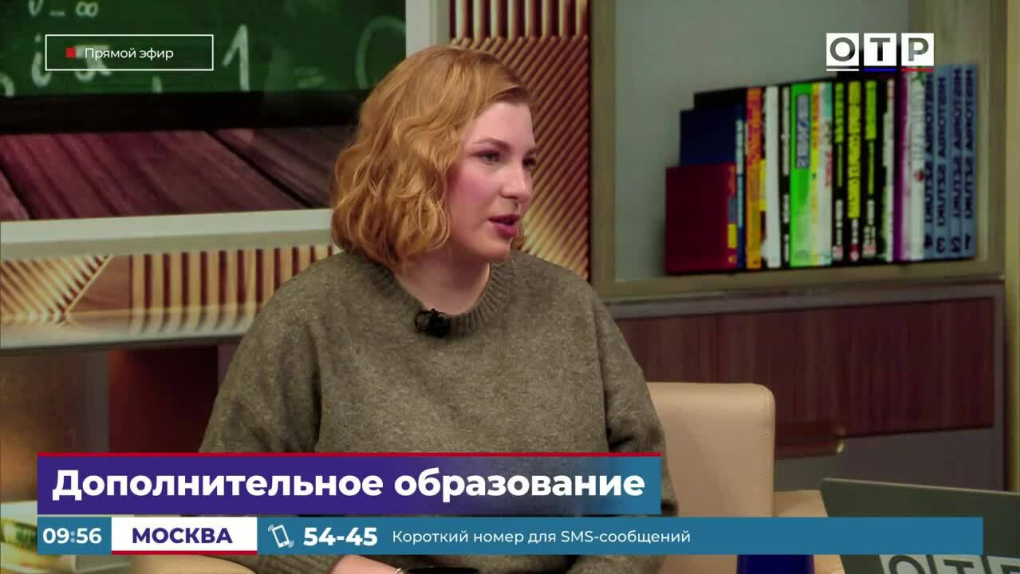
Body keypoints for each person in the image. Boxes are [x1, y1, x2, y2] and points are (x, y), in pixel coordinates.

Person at [200, 44, 677, 574]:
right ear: (417, 163)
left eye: (528, 162)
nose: (521, 188)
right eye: (491, 157)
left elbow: (643, 508)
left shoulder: (570, 307)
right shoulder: (311, 315)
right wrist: (339, 567)